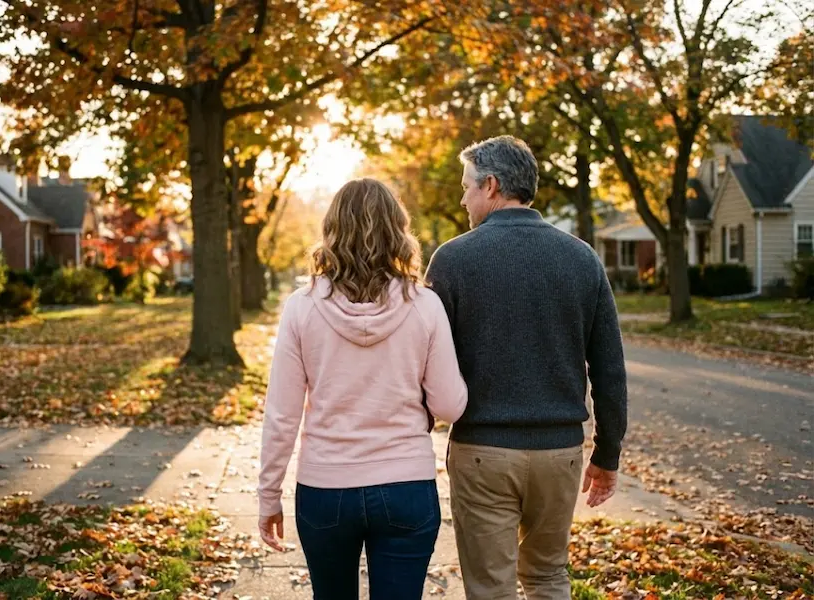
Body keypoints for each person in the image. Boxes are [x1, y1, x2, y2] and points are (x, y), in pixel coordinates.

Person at [425, 135, 628, 599]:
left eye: (466, 187)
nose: (462, 198)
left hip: (482, 451)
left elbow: (426, 361)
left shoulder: (452, 260)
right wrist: (607, 452)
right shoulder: (582, 259)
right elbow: (610, 369)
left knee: (491, 588)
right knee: (548, 577)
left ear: (491, 186)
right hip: (560, 454)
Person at [258, 178, 468, 600]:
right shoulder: (424, 305)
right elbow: (450, 405)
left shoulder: (302, 307)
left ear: (332, 230)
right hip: (406, 484)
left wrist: (268, 495)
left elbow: (282, 414)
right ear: (398, 229)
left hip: (325, 488)